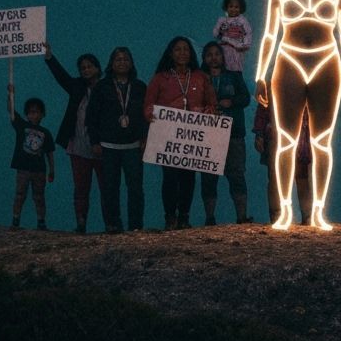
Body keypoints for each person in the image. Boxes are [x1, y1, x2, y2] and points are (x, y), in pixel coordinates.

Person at [254, 0, 341, 230]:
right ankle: (286, 210)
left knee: (322, 141)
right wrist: (261, 74)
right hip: (289, 60)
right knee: (285, 140)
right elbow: (270, 35)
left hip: (328, 61)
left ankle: (317, 212)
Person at [144, 36, 217, 230]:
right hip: (168, 135)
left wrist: (208, 110)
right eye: (178, 49)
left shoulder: (200, 76)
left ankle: (184, 216)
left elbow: (212, 102)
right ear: (170, 53)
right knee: (169, 176)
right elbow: (148, 106)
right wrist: (166, 108)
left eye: (186, 49)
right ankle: (170, 217)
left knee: (188, 176)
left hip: (193, 134)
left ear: (191, 53)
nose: (182, 53)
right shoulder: (160, 78)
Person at [42, 42, 106, 234]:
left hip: (104, 147)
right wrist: (50, 58)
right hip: (78, 145)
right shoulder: (76, 86)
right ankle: (81, 223)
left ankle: (110, 224)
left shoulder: (106, 88)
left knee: (106, 188)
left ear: (98, 68)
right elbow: (61, 77)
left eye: (89, 66)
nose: (86, 70)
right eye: (82, 68)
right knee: (81, 188)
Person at [85, 46, 149, 233]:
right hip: (108, 146)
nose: (122, 62)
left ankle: (136, 225)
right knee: (110, 188)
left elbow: (146, 115)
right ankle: (113, 224)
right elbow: (92, 116)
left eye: (126, 59)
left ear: (131, 63)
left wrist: (145, 137)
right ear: (111, 64)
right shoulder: (102, 86)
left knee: (136, 188)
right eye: (118, 59)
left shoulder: (139, 87)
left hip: (133, 146)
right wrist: (94, 142)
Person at [199, 41, 251, 224]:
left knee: (236, 173)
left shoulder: (234, 76)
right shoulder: (199, 78)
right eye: (209, 54)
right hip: (207, 133)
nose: (214, 58)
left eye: (217, 54)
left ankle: (242, 216)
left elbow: (246, 98)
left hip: (233, 132)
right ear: (204, 58)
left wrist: (232, 102)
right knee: (208, 176)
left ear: (223, 56)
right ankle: (209, 217)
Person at [253, 103, 312, 224]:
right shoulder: (272, 84)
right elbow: (264, 104)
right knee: (275, 174)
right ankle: (277, 215)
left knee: (300, 173)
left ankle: (307, 215)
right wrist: (259, 132)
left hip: (299, 128)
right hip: (276, 130)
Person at [7, 86, 55, 230]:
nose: (34, 115)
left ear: (42, 114)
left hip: (39, 170)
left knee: (39, 196)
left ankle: (41, 221)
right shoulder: (21, 126)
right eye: (31, 112)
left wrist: (52, 170)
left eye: (37, 112)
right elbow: (11, 110)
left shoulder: (45, 132)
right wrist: (10, 94)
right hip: (23, 168)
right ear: (27, 114)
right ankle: (16, 219)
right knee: (20, 194)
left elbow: (50, 153)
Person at [212, 0, 253, 73]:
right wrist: (221, 36)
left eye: (236, 7)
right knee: (224, 70)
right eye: (231, 6)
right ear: (226, 7)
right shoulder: (222, 20)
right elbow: (215, 32)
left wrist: (245, 44)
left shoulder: (242, 20)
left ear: (241, 8)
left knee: (236, 71)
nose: (233, 9)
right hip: (224, 50)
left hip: (237, 51)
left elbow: (248, 33)